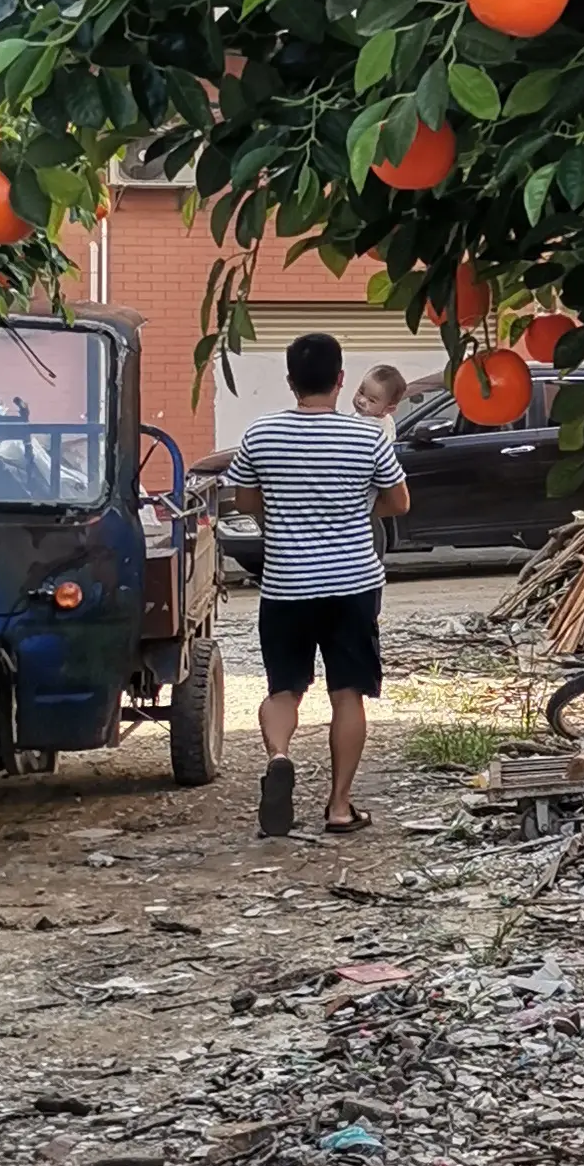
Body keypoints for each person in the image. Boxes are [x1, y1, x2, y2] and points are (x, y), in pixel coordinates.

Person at [225, 333, 409, 837]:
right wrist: (353, 512)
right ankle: (339, 807)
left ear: (290, 382)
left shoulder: (261, 434)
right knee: (347, 694)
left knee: (283, 689)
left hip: (287, 585)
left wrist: (285, 519)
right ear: (341, 380)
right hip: (352, 584)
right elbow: (399, 502)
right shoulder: (368, 437)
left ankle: (280, 756)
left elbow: (244, 501)